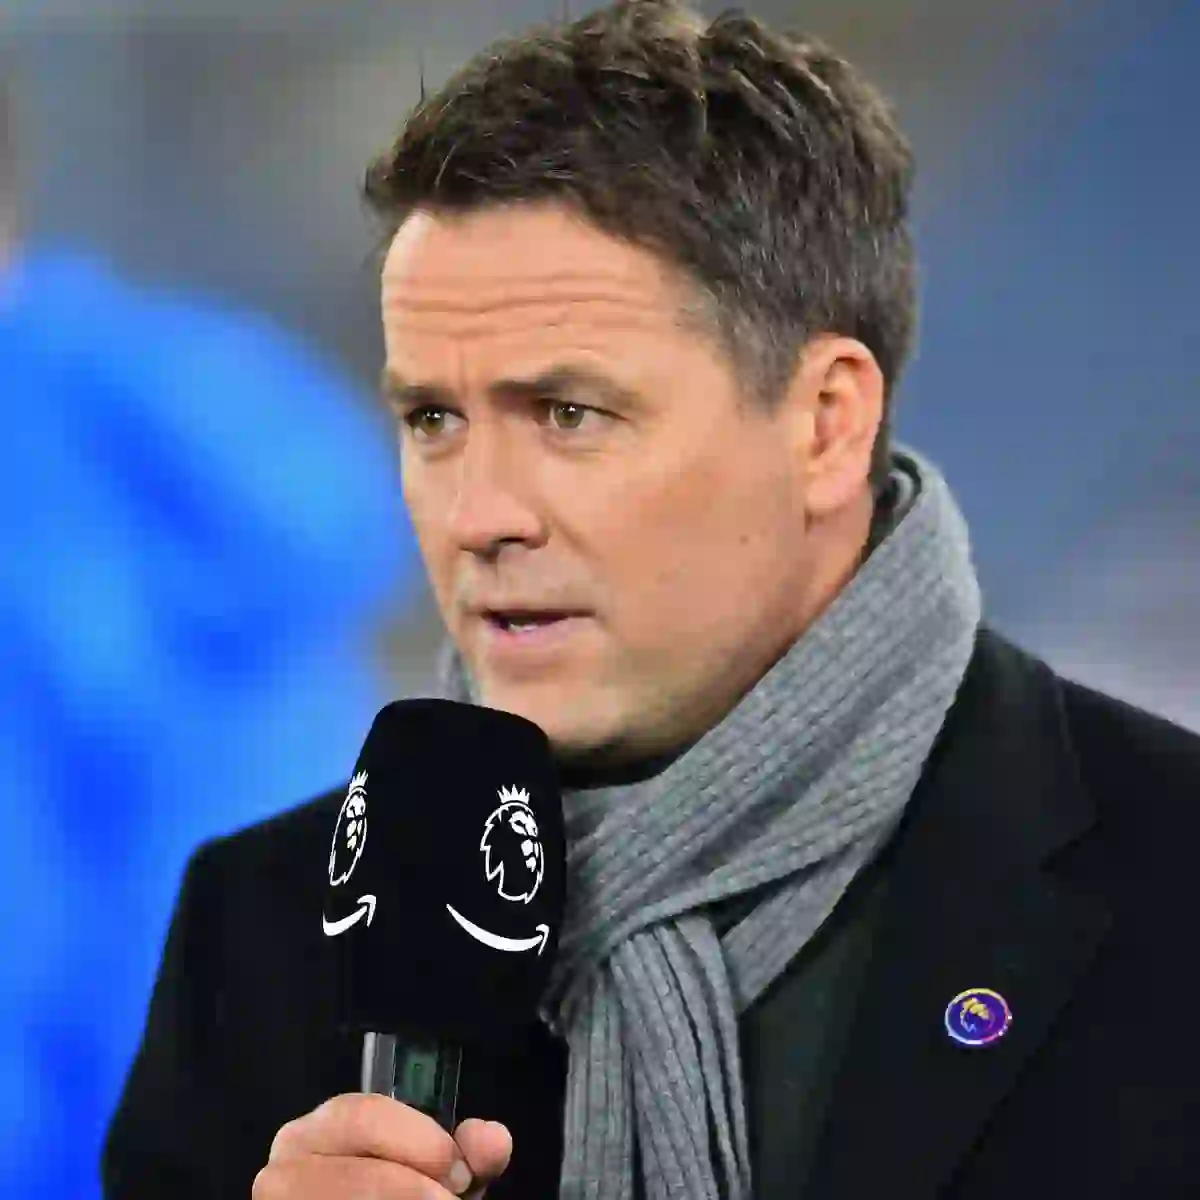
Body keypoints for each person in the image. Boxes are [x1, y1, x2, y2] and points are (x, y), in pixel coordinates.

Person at [103, 2, 1200, 1197]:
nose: (480, 514)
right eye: (434, 419)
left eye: (570, 414)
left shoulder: (1168, 880)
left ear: (826, 424)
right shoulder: (261, 931)